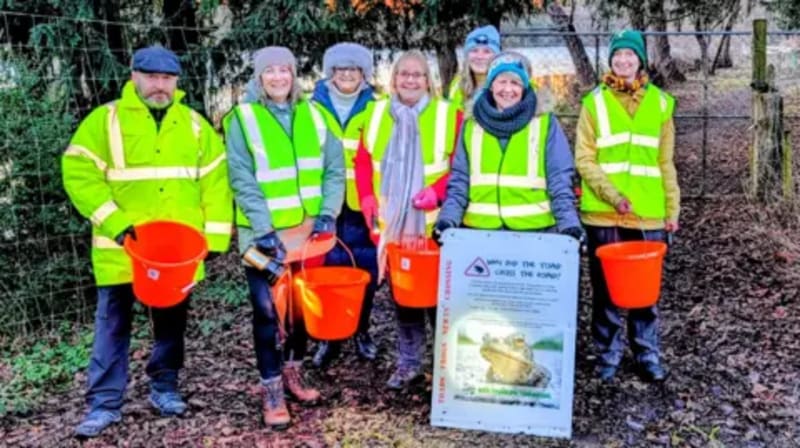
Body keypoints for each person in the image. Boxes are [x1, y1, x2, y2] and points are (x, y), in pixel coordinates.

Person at [62, 45, 233, 438]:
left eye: (167, 79)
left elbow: (215, 184)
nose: (160, 86)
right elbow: (78, 173)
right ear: (134, 75)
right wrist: (116, 224)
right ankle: (104, 403)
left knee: (172, 323)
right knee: (112, 325)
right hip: (121, 250)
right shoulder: (104, 121)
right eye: (152, 77)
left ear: (176, 82)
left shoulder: (194, 125)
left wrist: (217, 237)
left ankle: (165, 387)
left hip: (177, 254)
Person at [223, 46, 345, 429]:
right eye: (269, 71)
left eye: (285, 71)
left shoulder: (316, 114)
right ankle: (271, 387)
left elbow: (334, 170)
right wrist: (263, 229)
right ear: (258, 77)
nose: (278, 78)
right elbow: (241, 178)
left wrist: (329, 212)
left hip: (308, 234)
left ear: (294, 75)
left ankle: (293, 371)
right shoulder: (242, 119)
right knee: (266, 310)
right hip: (262, 235)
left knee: (299, 308)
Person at [574, 29, 679, 383]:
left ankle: (646, 353)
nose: (623, 61)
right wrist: (613, 195)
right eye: (617, 55)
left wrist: (672, 209)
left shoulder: (662, 104)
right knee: (605, 289)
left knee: (644, 291)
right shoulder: (594, 103)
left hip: (648, 213)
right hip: (603, 213)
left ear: (640, 60)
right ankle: (608, 354)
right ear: (611, 60)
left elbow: (665, 163)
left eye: (629, 55)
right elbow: (584, 159)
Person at [354, 50, 462, 390]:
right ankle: (409, 363)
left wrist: (438, 191)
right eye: (404, 74)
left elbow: (462, 168)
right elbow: (361, 161)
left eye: (417, 75)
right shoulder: (375, 114)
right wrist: (367, 198)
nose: (411, 80)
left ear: (427, 80)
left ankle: (446, 366)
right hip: (394, 224)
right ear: (394, 80)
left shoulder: (448, 115)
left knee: (440, 296)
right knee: (404, 294)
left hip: (433, 223)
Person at [435, 51, 583, 253]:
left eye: (515, 83)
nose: (507, 89)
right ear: (490, 85)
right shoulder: (472, 125)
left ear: (525, 87)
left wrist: (569, 225)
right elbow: (460, 180)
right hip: (480, 233)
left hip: (534, 233)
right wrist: (447, 220)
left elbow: (559, 180)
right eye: (501, 81)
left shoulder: (545, 123)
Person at [308, 42, 380, 368]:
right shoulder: (310, 109)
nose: (347, 75)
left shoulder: (379, 109)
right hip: (326, 205)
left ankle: (361, 329)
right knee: (328, 269)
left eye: (354, 69)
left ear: (364, 74)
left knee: (365, 268)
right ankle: (329, 336)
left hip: (366, 203)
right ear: (330, 73)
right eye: (340, 69)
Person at [446, 25, 501, 114]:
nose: (479, 57)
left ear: (496, 57)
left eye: (487, 51)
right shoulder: (457, 85)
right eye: (474, 50)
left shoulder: (507, 87)